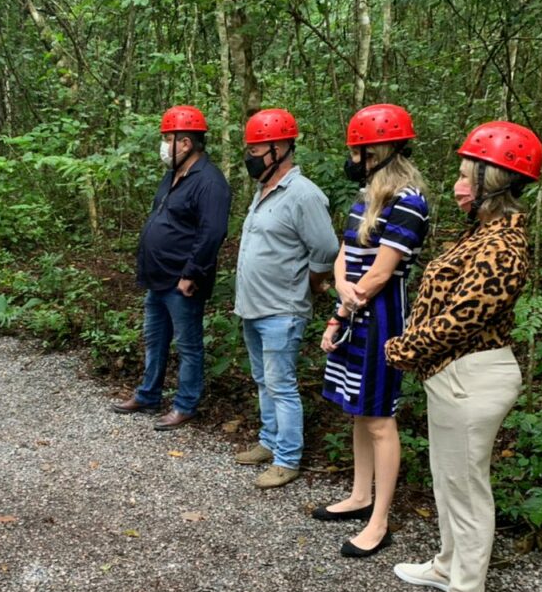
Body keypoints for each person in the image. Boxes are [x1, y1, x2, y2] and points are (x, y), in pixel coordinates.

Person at [385, 120, 542, 592]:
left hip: (473, 375)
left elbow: (461, 319)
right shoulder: (483, 234)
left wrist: (400, 349)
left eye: (465, 174)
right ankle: (449, 565)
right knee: (447, 479)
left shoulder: (503, 246)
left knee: (467, 489)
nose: (456, 185)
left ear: (492, 178)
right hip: (452, 373)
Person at [313, 105, 430, 558]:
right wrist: (342, 290)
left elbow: (381, 274)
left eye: (359, 150)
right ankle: (360, 496)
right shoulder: (367, 196)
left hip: (382, 317)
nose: (353, 157)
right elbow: (345, 253)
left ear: (379, 149)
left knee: (380, 418)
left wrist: (346, 306)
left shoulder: (409, 200)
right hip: (355, 307)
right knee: (359, 410)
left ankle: (379, 521)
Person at [233, 108, 339, 489]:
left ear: (279, 149)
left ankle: (287, 458)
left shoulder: (303, 194)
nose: (250, 156)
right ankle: (269, 441)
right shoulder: (265, 190)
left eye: (256, 149)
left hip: (282, 309)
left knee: (281, 383)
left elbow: (326, 250)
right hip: (254, 307)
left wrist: (310, 283)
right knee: (263, 379)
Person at [112, 105, 231, 430]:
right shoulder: (173, 175)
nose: (164, 145)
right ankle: (148, 394)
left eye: (168, 139)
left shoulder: (210, 182)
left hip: (182, 282)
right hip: (158, 278)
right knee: (155, 339)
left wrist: (192, 273)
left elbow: (212, 233)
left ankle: (185, 404)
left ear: (186, 143)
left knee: (189, 346)